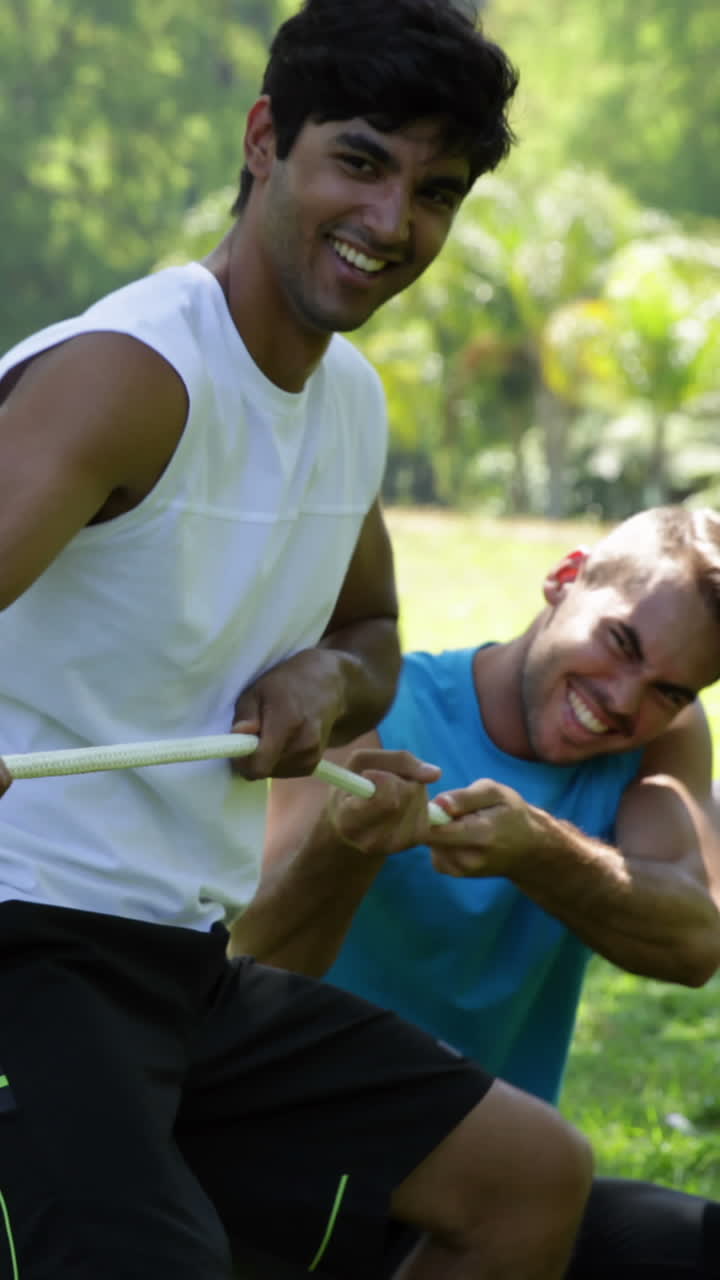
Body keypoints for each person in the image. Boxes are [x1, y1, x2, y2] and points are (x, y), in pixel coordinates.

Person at [0, 2, 600, 1278]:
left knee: (527, 1177)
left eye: (434, 192)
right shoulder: (131, 373)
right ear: (266, 137)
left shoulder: (347, 405)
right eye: (361, 161)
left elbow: (373, 630)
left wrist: (326, 676)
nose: (391, 221)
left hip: (182, 965)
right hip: (25, 939)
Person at [240, 505, 720, 1278]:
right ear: (565, 577)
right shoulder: (377, 712)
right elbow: (256, 967)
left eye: (670, 690)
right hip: (296, 1159)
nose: (624, 701)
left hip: (492, 1187)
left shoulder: (656, 742)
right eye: (620, 643)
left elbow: (694, 943)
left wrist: (540, 852)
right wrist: (345, 847)